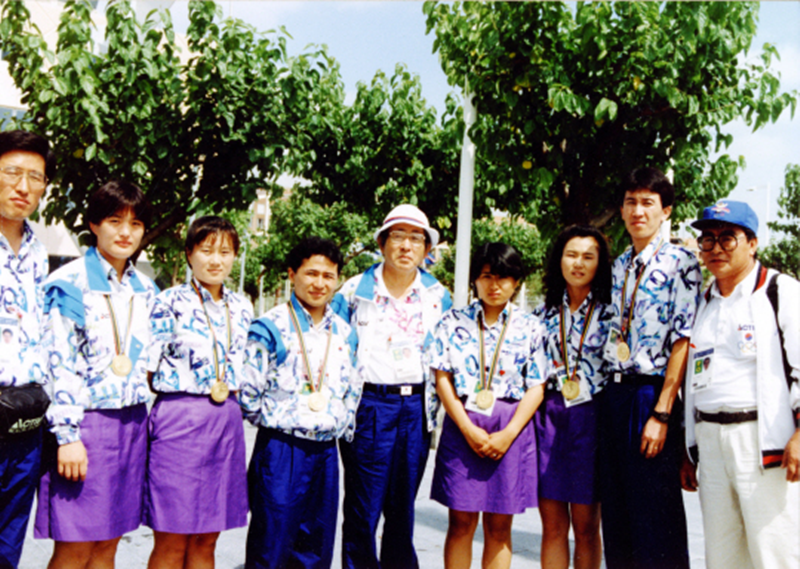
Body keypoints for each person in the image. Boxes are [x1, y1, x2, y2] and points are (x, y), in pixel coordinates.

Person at [35, 181, 158, 568]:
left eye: (136, 223)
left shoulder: (146, 288)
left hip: (133, 424)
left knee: (109, 543)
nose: (126, 232)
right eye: (114, 220)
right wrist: (68, 436)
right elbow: (60, 365)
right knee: (75, 547)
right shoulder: (69, 283)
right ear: (93, 223)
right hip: (85, 426)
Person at [680, 200, 799, 569]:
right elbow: (695, 377)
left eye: (728, 238)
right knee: (722, 554)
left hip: (761, 442)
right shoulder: (703, 301)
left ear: (752, 243)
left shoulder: (781, 292)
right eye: (707, 239)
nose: (715, 248)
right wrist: (689, 445)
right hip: (711, 442)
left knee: (773, 551)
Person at [599, 167, 702, 569]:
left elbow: (684, 340)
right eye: (630, 202)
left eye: (648, 203)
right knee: (619, 512)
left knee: (655, 516)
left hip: (651, 393)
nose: (638, 211)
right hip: (616, 393)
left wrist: (662, 411)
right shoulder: (618, 264)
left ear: (665, 211)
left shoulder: (682, 263)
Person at [338, 204, 451, 569]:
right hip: (370, 404)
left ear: (426, 249)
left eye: (415, 238)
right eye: (398, 237)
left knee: (403, 510)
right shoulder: (354, 291)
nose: (406, 246)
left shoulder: (438, 296)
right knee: (363, 509)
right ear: (383, 243)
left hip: (416, 409)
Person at [240, 237, 359, 569]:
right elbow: (248, 392)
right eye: (311, 273)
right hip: (281, 450)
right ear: (292, 274)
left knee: (316, 547)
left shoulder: (345, 333)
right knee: (271, 544)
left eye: (328, 275)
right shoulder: (270, 327)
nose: (319, 283)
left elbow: (352, 387)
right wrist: (283, 418)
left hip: (325, 452)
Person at [427, 242, 546, 569]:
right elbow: (442, 379)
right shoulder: (452, 322)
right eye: (487, 276)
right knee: (461, 523)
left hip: (510, 429)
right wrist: (466, 428)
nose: (495, 286)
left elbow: (537, 386)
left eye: (504, 277)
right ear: (474, 281)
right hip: (463, 426)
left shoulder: (531, 327)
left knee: (498, 526)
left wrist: (508, 434)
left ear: (517, 282)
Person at [145, 216, 253, 569]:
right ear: (190, 253)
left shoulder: (242, 306)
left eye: (225, 251)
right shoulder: (167, 302)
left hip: (225, 423)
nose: (216, 260)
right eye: (206, 250)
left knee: (207, 540)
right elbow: (148, 367)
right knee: (173, 538)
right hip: (179, 420)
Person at [535, 226, 612, 569]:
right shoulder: (542, 314)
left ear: (600, 264)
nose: (578, 263)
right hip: (549, 417)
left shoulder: (612, 313)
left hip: (592, 418)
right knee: (552, 526)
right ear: (559, 260)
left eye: (588, 257)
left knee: (585, 526)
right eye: (571, 255)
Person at [0, 130, 54, 569]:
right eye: (12, 173)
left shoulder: (39, 252)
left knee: (7, 542)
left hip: (25, 424)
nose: (23, 187)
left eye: (34, 177)